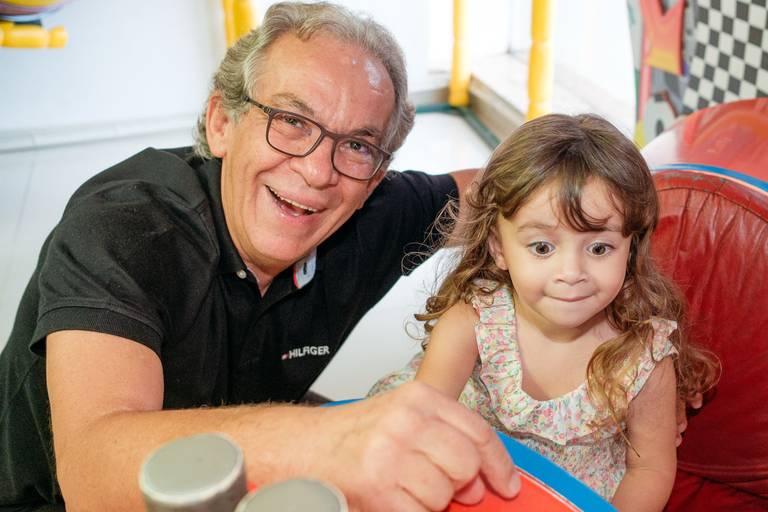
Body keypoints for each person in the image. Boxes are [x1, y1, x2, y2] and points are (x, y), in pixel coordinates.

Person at [0, 3, 522, 511]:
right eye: (292, 120)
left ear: (375, 179)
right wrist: (329, 437)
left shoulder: (364, 211)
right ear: (221, 123)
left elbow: (507, 197)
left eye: (358, 146)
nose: (318, 171)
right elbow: (93, 474)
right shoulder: (126, 227)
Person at [369, 113, 720, 510]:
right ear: (499, 248)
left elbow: (650, 469)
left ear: (631, 249)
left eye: (599, 248)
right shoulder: (474, 321)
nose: (571, 273)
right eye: (542, 247)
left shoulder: (645, 359)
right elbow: (421, 424)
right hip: (469, 481)